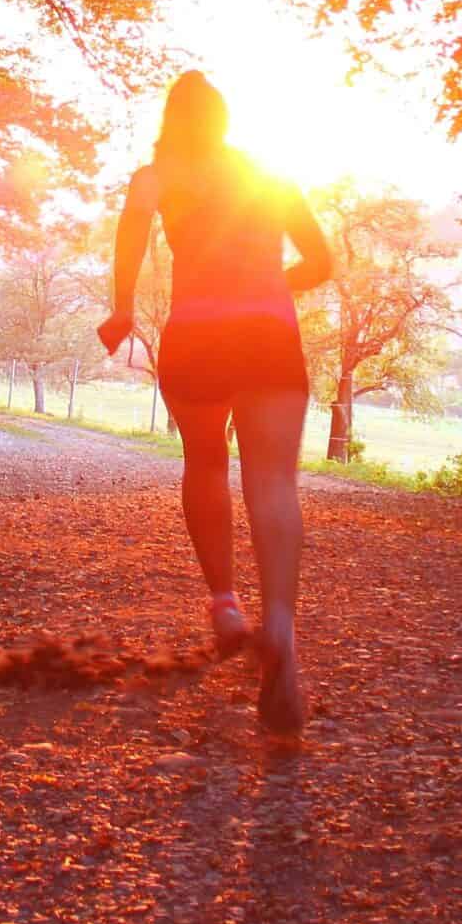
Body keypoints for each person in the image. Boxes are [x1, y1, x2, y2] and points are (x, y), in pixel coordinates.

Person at [98, 72, 332, 735]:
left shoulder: (155, 177)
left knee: (205, 459)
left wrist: (120, 311)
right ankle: (280, 626)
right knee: (273, 482)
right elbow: (321, 261)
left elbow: (130, 247)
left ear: (172, 119)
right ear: (225, 121)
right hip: (269, 334)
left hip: (196, 335)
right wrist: (264, 285)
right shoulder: (268, 175)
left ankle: (227, 607)